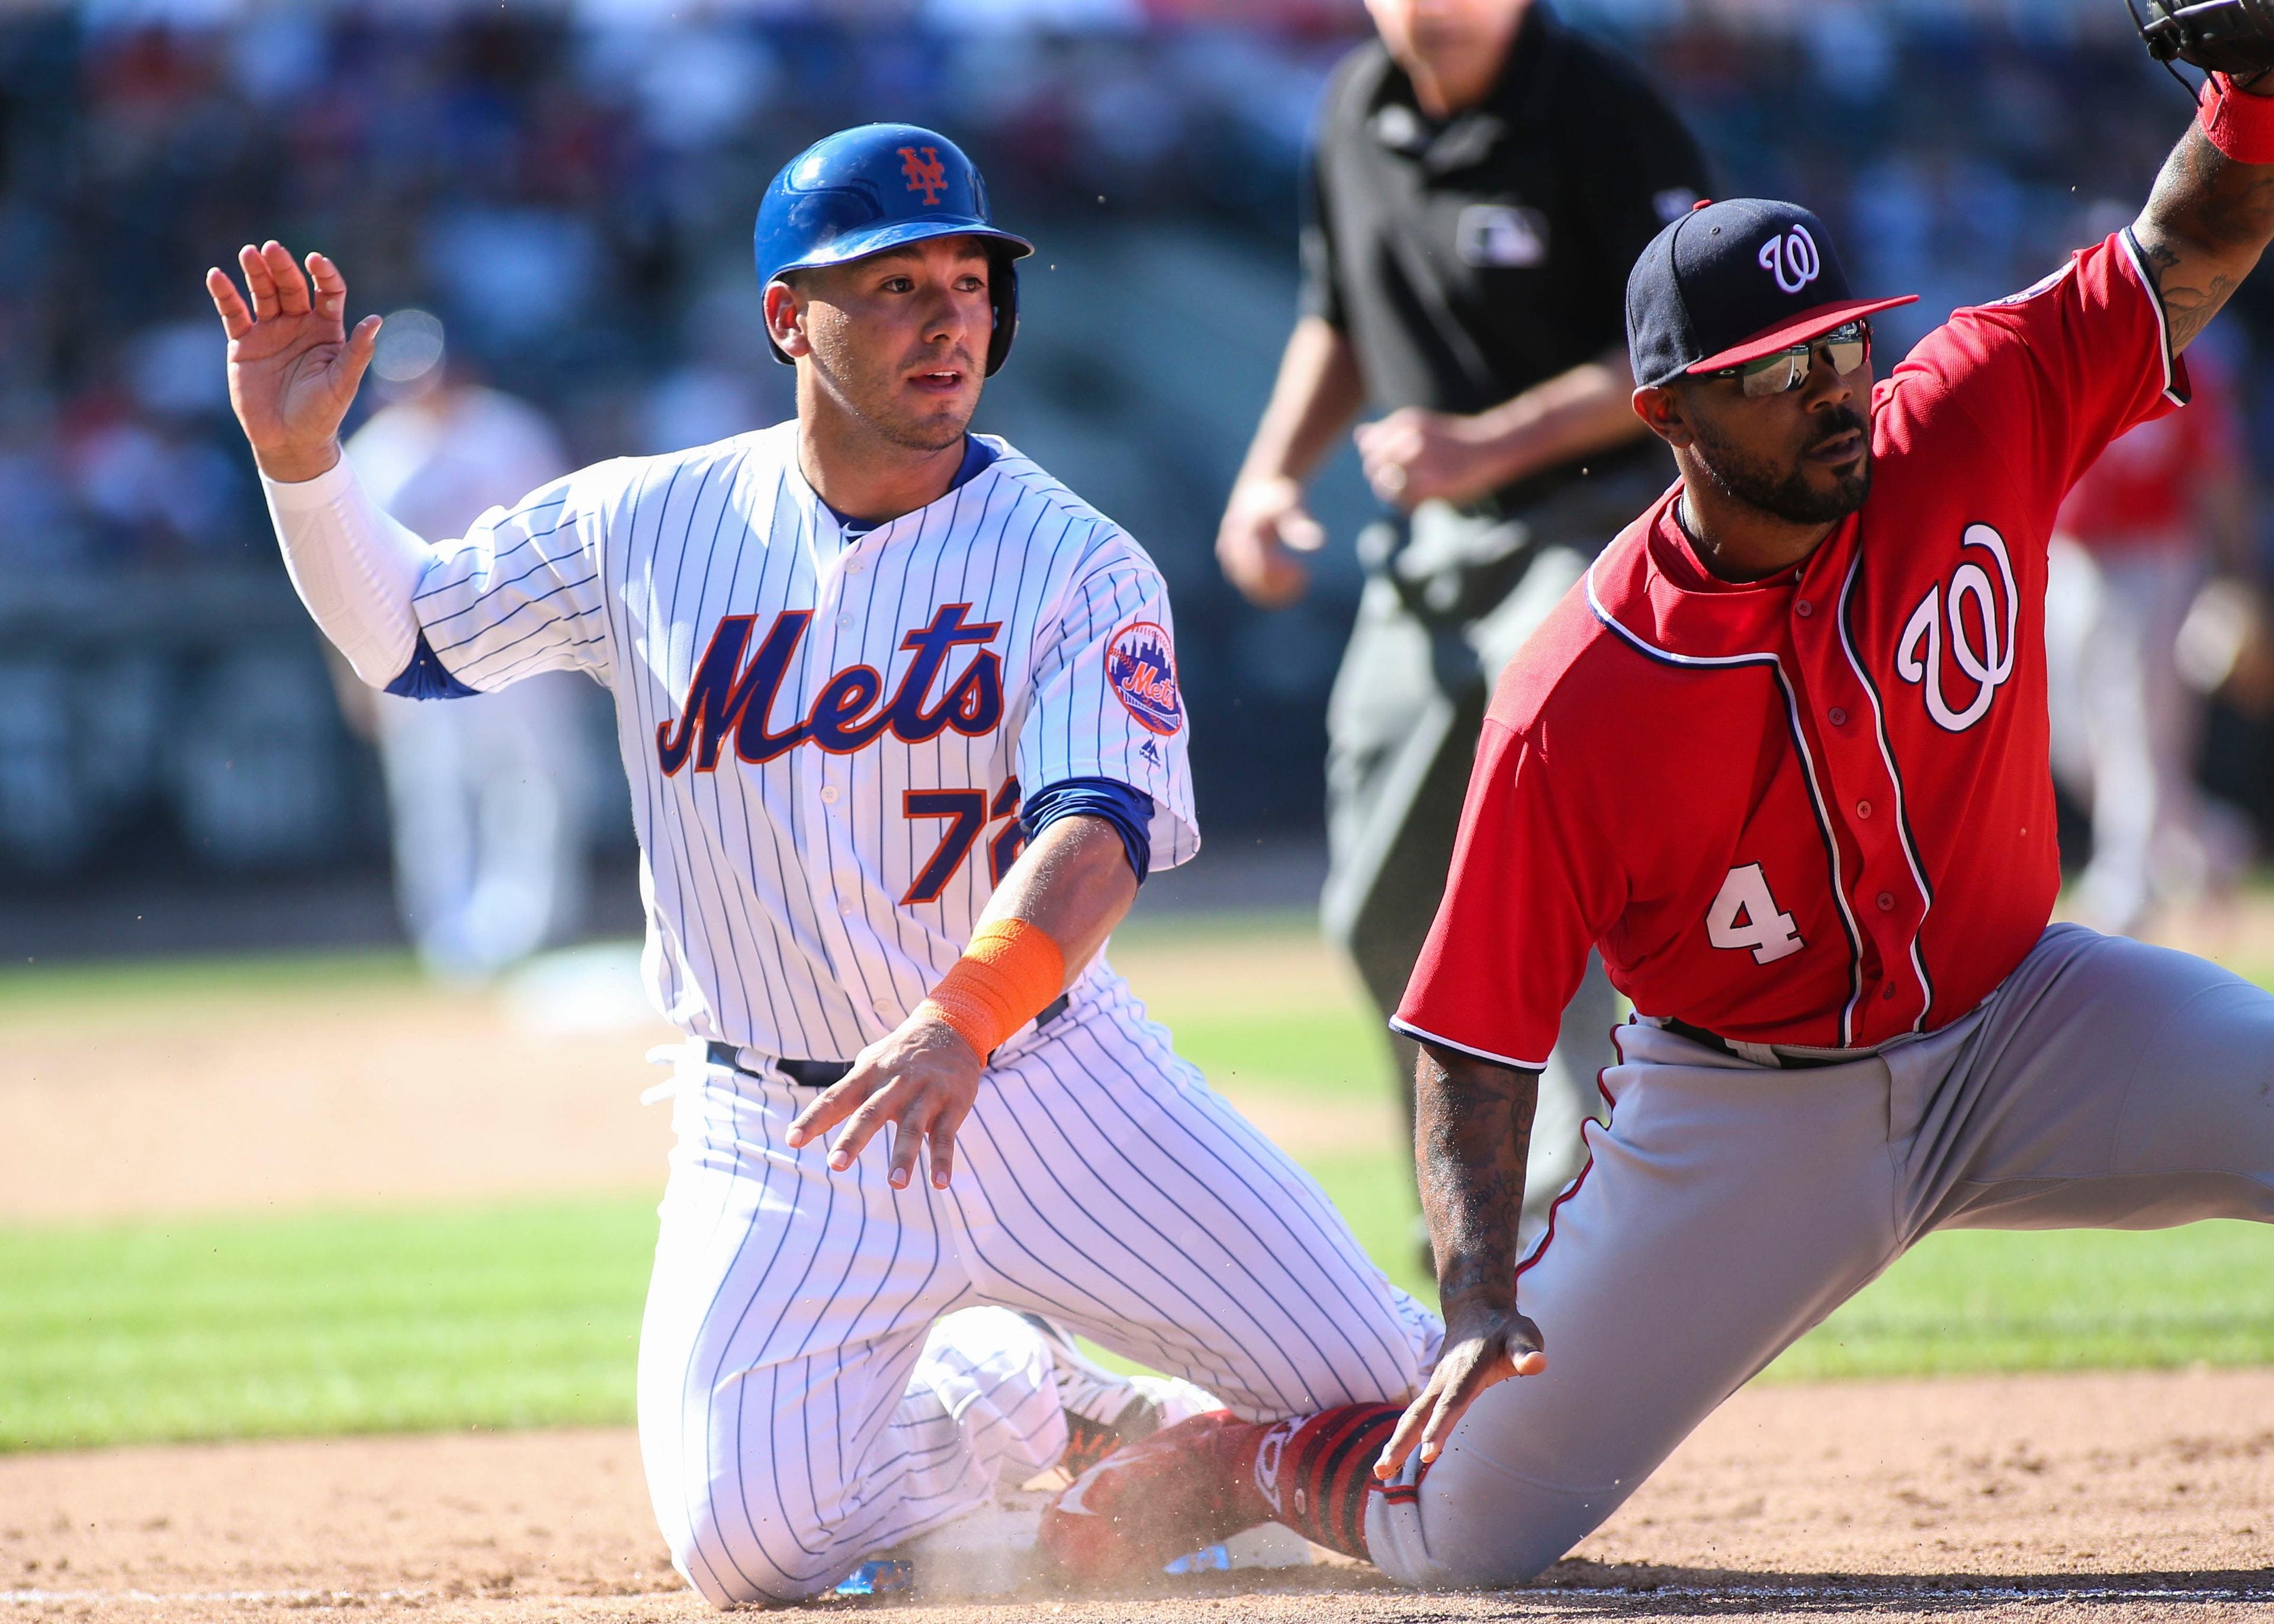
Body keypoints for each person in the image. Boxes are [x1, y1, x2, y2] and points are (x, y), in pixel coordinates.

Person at [1042, 61, 2274, 1590]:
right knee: (1465, 1532)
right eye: (1778, 370)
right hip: (1753, 1111)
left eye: (1839, 344)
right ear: (1670, 414)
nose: (1834, 387)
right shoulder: (1576, 691)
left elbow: (2183, 251)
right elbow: (1473, 1034)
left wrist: (2252, 93)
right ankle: (1241, 1455)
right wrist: (1478, 1282)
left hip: (2027, 1017)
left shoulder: (1965, 412)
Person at [206, 124, 1436, 1605]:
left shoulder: (1073, 555)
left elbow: (1094, 826)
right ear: (791, 316)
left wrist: (963, 1011)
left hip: (1048, 1085)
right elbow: (407, 640)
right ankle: (1032, 1392)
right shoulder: (645, 521)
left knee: (1411, 1403)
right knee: (748, 1549)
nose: (948, 316)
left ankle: (1204, 1452)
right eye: (895, 283)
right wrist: (302, 467)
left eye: (968, 280)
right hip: (781, 1137)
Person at [1216, 0, 1711, 1253]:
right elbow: (1338, 315)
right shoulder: (1352, 109)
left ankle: (1589, 1219)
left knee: (1572, 877)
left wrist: (1489, 442)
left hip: (1592, 526)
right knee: (1383, 901)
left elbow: (1686, 342)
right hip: (1429, 546)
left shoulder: (1601, 105)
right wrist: (1270, 475)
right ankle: (1461, 1221)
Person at [343, 337, 600, 981]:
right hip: (413, 644)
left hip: (520, 632)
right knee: (433, 792)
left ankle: (534, 926)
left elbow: (565, 536)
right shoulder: (375, 452)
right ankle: (451, 940)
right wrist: (352, 670)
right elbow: (345, 572)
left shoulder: (508, 431)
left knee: (538, 782)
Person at [2046, 340, 2256, 935]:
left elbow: (2220, 474)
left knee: (2138, 731)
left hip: (2156, 556)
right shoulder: (2069, 350)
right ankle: (2210, 841)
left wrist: (2238, 577)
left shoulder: (2191, 362)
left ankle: (2126, 890)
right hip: (2070, 557)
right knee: (2075, 744)